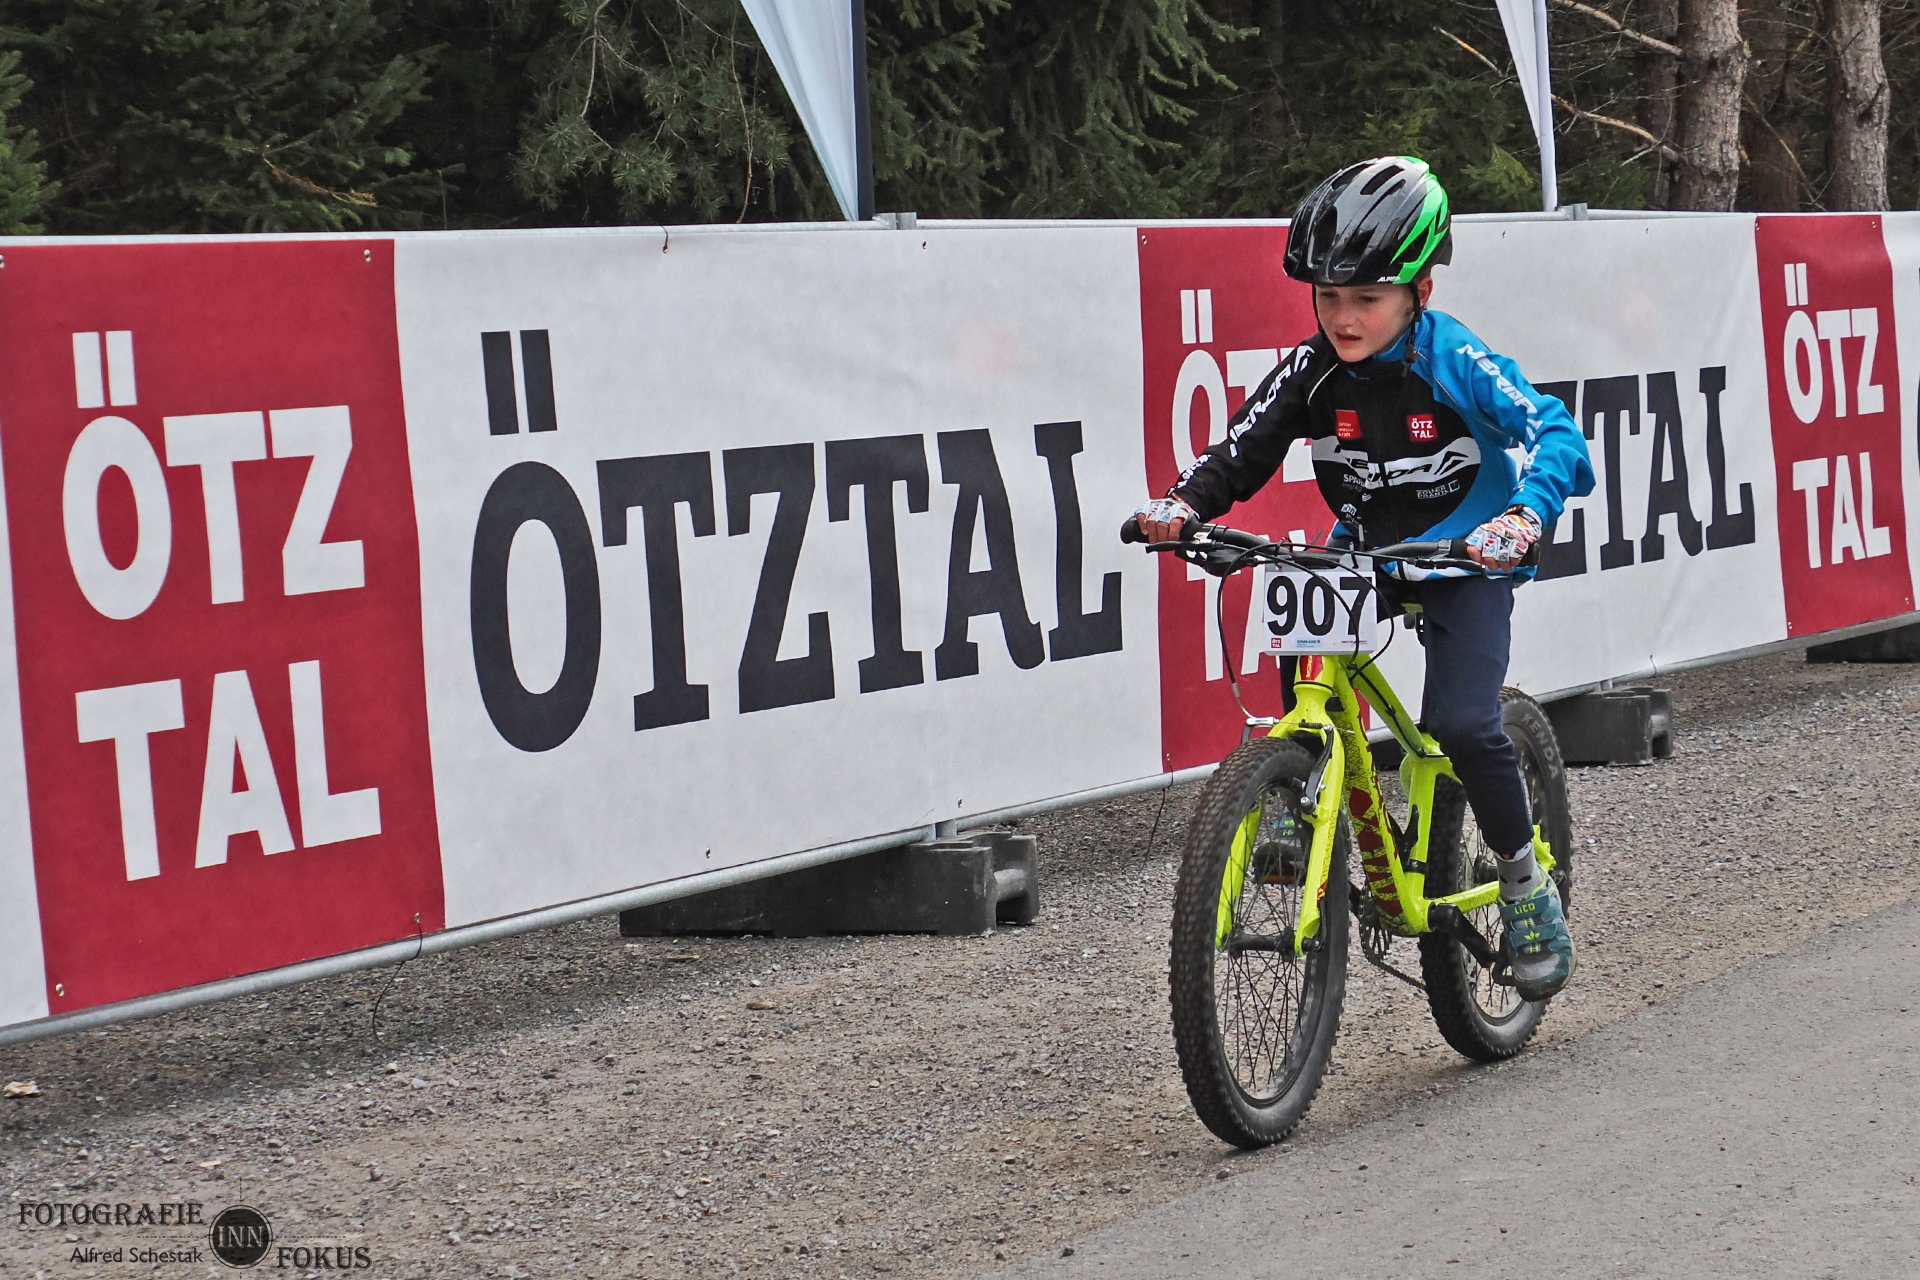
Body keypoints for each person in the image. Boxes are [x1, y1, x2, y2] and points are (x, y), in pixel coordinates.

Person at [1132, 156, 1595, 1001]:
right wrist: (1182, 505)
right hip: (1367, 549)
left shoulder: (1453, 355)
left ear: (1420, 292)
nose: (1344, 318)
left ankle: (1525, 882)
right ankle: (1294, 794)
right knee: (1298, 604)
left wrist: (1523, 517)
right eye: (1329, 297)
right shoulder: (1313, 367)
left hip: (1465, 555)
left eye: (1368, 299)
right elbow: (1240, 449)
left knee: (1462, 721)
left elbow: (1556, 433)